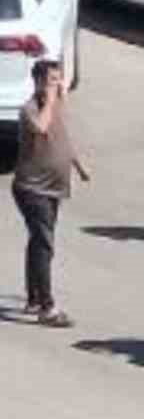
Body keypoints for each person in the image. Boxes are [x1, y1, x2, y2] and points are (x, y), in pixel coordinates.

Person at [12, 58, 90, 328]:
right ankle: (47, 306)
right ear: (38, 82)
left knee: (38, 241)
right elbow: (42, 127)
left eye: (59, 79)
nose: (58, 85)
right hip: (32, 188)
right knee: (44, 242)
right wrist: (51, 99)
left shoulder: (57, 106)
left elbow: (62, 137)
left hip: (53, 188)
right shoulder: (30, 109)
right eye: (52, 80)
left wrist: (79, 166)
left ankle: (34, 297)